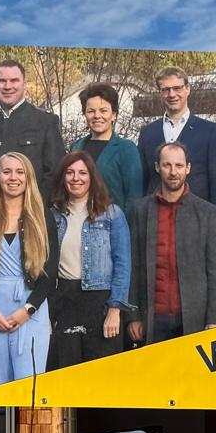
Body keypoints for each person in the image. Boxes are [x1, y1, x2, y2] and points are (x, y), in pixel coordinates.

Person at [0, 153, 60, 386]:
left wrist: (28, 309)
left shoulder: (42, 217)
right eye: (6, 172)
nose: (13, 178)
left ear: (28, 178)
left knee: (29, 386)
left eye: (19, 172)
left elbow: (51, 268)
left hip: (30, 310)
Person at [126, 142, 216, 344]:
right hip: (153, 318)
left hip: (194, 319)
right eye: (167, 165)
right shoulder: (140, 210)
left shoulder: (208, 213)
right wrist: (133, 315)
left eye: (179, 166)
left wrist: (214, 319)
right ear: (157, 167)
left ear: (188, 168)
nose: (173, 172)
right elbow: (132, 266)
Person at [48, 151, 132, 368]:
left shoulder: (112, 214)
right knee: (65, 374)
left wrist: (115, 310)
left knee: (100, 379)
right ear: (63, 178)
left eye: (82, 173)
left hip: (100, 303)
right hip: (64, 301)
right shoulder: (53, 215)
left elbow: (123, 264)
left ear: (92, 178)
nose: (76, 178)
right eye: (70, 172)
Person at [0, 58, 65, 191]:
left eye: (14, 80)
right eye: (2, 81)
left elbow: (56, 174)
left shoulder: (45, 121)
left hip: (28, 210)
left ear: (24, 84)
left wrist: (35, 206)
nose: (8, 86)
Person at [136, 68, 216, 207]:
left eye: (177, 88)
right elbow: (142, 180)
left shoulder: (209, 131)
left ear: (187, 89)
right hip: (156, 215)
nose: (172, 94)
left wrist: (215, 221)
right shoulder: (147, 133)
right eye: (166, 89)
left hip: (196, 217)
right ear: (160, 93)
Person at [69, 83, 143, 212]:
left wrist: (124, 229)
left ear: (114, 114)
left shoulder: (126, 149)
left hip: (112, 226)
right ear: (84, 114)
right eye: (91, 111)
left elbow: (134, 199)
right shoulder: (76, 147)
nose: (97, 116)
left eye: (103, 111)